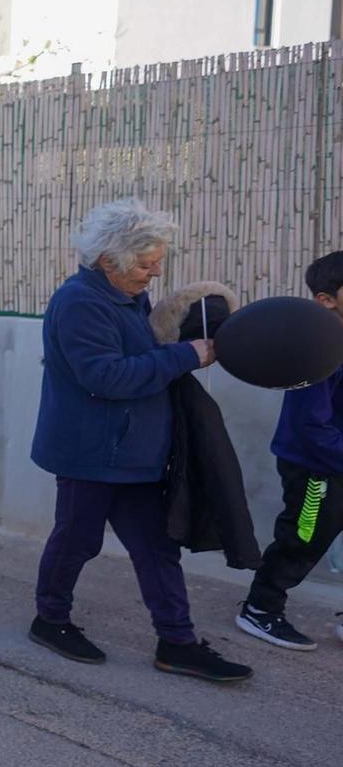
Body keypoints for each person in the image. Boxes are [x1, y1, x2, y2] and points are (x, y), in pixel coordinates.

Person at [27, 198, 250, 681]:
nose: (154, 273)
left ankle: (177, 642)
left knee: (156, 547)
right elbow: (105, 377)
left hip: (135, 453)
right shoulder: (80, 302)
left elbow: (139, 353)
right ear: (110, 260)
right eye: (147, 264)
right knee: (76, 540)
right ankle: (50, 619)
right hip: (91, 453)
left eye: (157, 263)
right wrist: (185, 356)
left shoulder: (127, 297)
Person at [236, 251, 343, 652]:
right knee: (304, 537)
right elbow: (311, 426)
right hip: (315, 468)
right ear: (326, 300)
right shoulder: (318, 349)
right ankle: (260, 609)